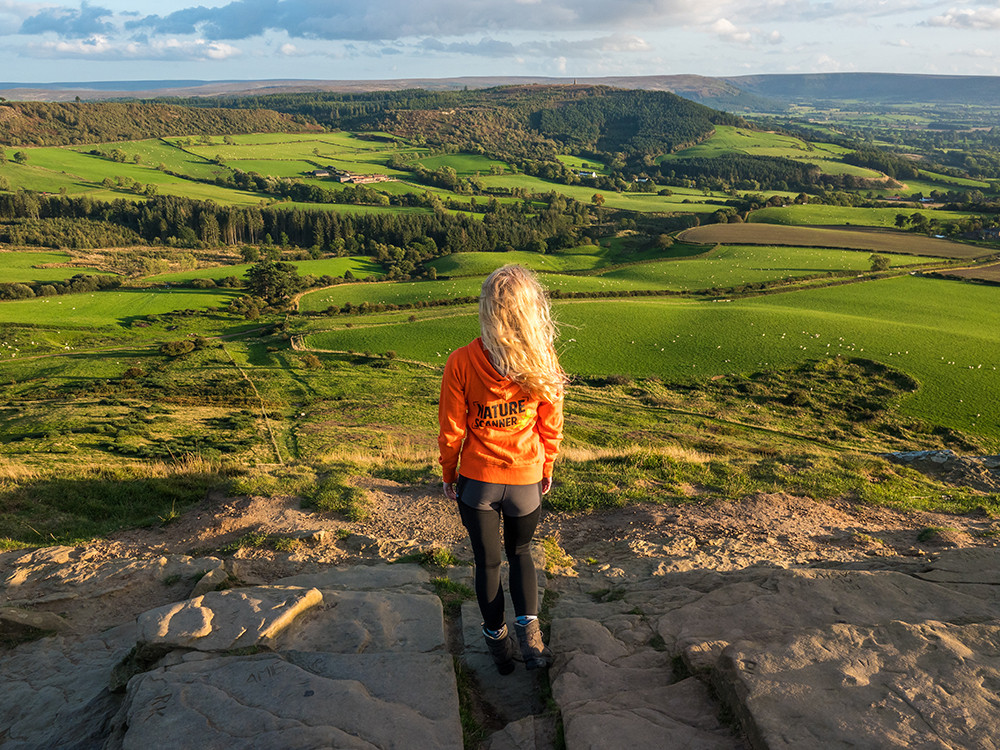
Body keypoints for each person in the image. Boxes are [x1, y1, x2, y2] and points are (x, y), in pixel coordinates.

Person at [438, 264, 565, 674]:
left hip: (478, 483)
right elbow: (551, 423)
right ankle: (532, 641)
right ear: (533, 310)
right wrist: (547, 463)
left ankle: (498, 646)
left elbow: (452, 429)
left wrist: (448, 472)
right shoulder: (543, 361)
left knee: (487, 563)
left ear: (487, 310)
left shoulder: (460, 361)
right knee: (522, 553)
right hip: (526, 480)